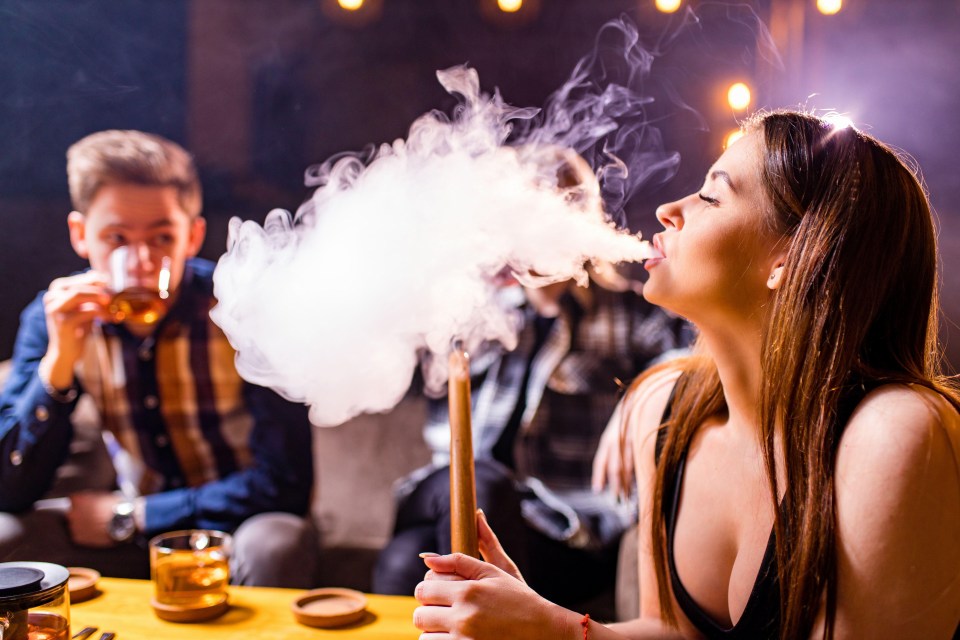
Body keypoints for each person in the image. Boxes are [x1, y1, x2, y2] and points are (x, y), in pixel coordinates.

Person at [411, 109, 960, 639]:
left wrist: (560, 636)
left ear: (788, 259)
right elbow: (670, 632)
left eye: (710, 196)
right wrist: (540, 625)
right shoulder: (666, 413)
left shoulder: (895, 436)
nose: (669, 210)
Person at [374, 149, 693, 612]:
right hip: (445, 496)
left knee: (406, 563)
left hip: (561, 530)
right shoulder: (472, 310)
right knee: (477, 485)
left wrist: (642, 395)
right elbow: (395, 364)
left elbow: (701, 351)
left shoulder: (628, 313)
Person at [0, 130, 319, 587]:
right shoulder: (54, 316)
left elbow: (286, 485)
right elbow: (10, 491)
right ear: (80, 235)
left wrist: (137, 513)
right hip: (127, 539)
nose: (142, 261)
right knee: (6, 537)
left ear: (193, 236)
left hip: (235, 529)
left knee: (275, 543)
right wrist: (58, 367)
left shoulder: (244, 308)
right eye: (116, 238)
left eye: (161, 237)